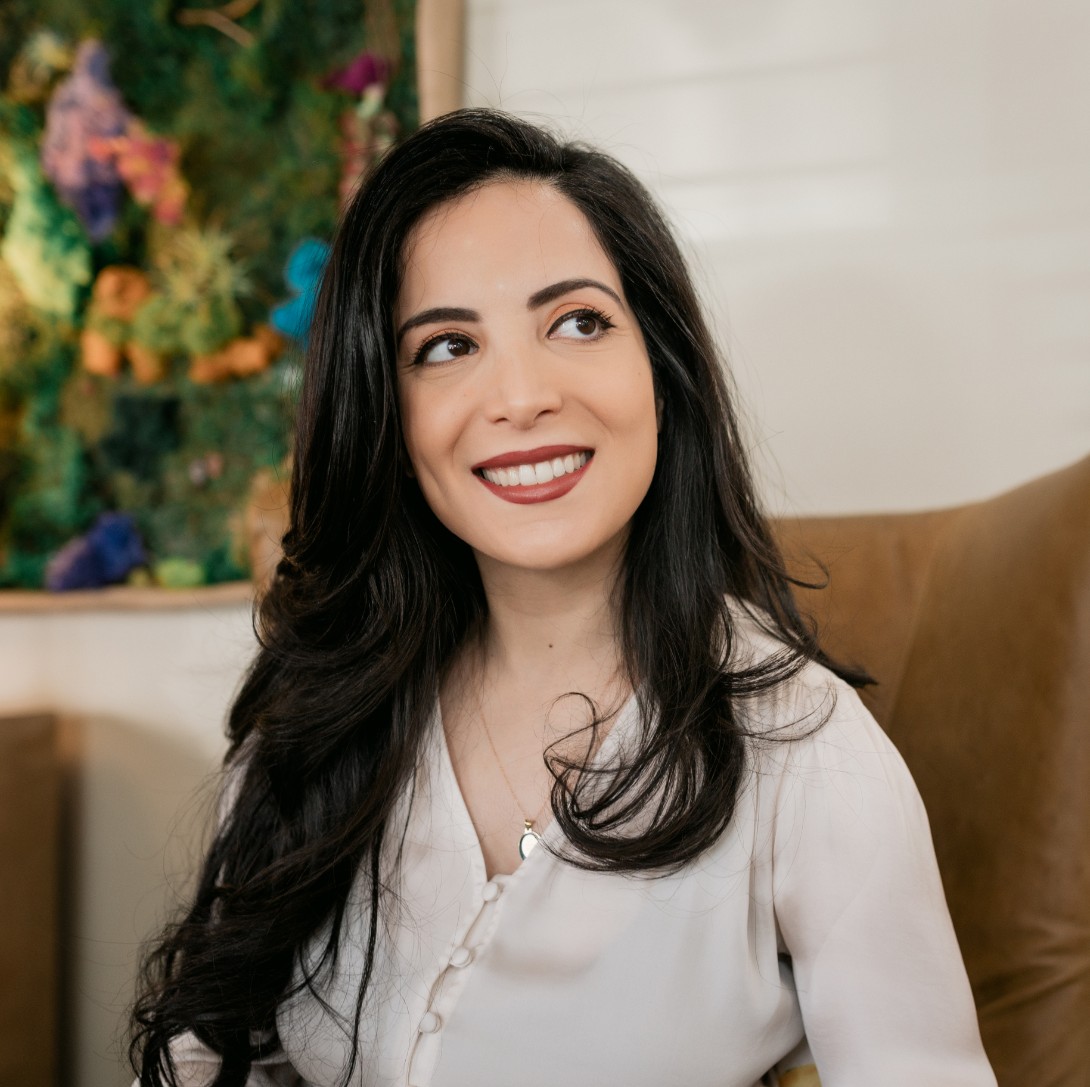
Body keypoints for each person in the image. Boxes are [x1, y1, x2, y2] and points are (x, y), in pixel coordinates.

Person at [131, 108, 996, 1087]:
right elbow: (202, 1055)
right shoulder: (318, 713)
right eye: (446, 345)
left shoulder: (809, 755)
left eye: (577, 322)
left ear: (660, 372)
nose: (521, 396)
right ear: (388, 417)